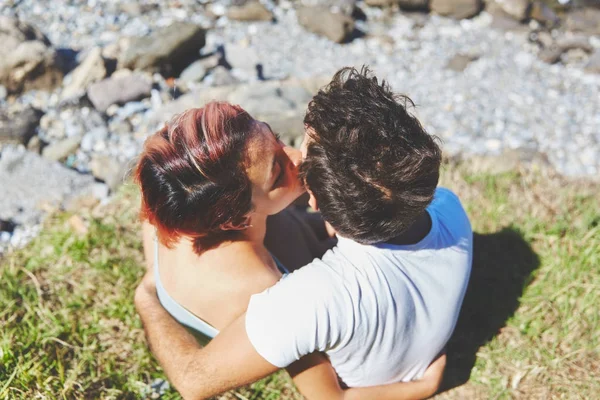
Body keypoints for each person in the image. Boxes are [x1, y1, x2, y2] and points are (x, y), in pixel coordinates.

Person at [135, 66, 472, 399]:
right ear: (233, 219)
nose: (297, 159)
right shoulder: (274, 292)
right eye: (278, 173)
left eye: (279, 138)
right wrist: (147, 300)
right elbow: (194, 382)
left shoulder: (177, 191)